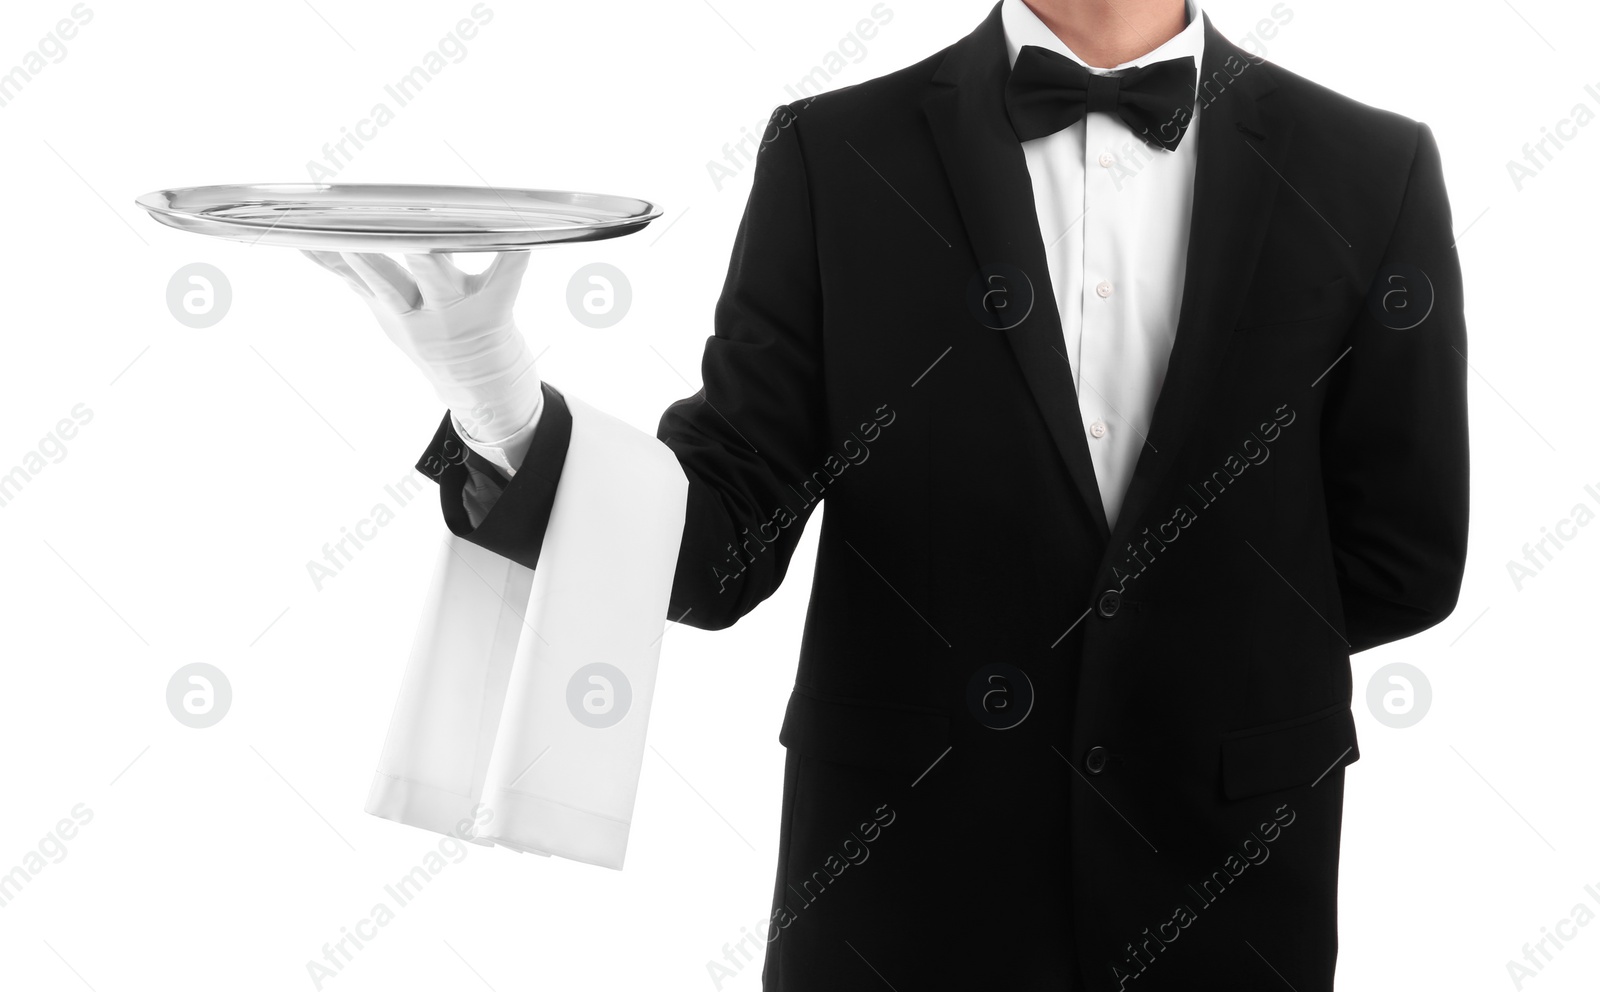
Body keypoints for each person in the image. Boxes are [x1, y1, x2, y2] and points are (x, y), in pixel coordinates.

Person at [304, 0, 1468, 988]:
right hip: (898, 889)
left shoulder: (1370, 168)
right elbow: (721, 543)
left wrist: (1168, 667)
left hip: (1227, 882)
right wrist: (494, 392)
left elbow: (1400, 556)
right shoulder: (835, 155)